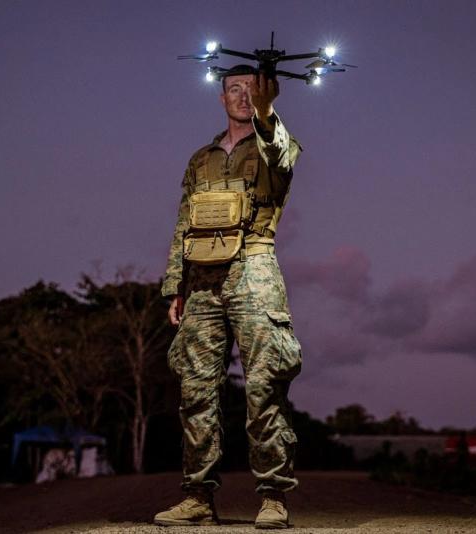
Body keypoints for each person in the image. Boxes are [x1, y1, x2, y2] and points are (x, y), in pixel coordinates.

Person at [154, 64, 303, 529]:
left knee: (265, 385)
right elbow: (183, 223)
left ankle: (273, 497)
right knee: (195, 389)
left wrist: (267, 112)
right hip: (201, 281)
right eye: (234, 89)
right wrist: (173, 287)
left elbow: (279, 154)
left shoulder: (276, 145)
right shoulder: (200, 159)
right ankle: (198, 496)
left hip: (254, 271)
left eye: (251, 89)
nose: (243, 95)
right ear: (221, 98)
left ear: (264, 93)